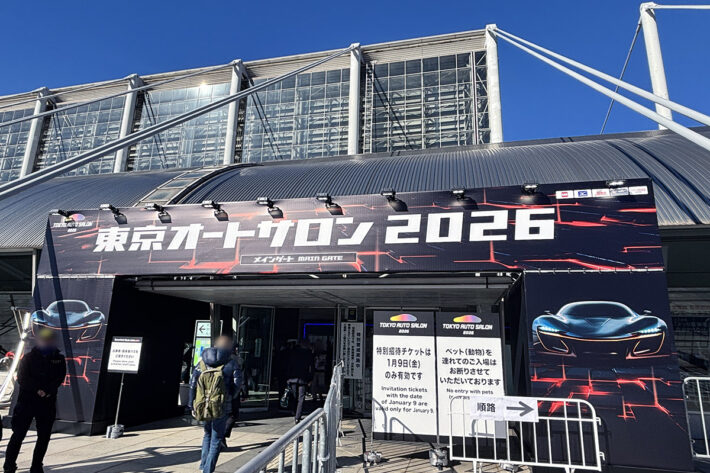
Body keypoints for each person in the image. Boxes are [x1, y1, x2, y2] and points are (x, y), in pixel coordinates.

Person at [4, 328, 66, 473]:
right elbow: (22, 378)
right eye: (44, 340)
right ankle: (9, 466)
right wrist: (37, 389)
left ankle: (37, 466)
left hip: (47, 402)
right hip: (27, 402)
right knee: (18, 434)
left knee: (44, 436)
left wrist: (48, 391)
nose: (47, 343)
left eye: (50, 340)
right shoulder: (29, 358)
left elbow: (59, 377)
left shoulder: (58, 358)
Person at [189, 335, 238, 473]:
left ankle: (203, 466)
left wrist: (191, 404)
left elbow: (193, 384)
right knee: (216, 439)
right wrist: (230, 397)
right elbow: (237, 385)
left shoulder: (202, 362)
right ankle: (208, 470)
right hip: (222, 405)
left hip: (203, 404)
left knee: (207, 434)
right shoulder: (231, 363)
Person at [285, 339, 314, 423]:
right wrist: (310, 379)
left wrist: (288, 378)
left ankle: (294, 411)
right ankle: (298, 416)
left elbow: (289, 365)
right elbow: (311, 368)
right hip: (304, 379)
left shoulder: (293, 352)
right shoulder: (309, 354)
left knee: (295, 396)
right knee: (301, 397)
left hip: (293, 378)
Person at [222, 341, 243, 447]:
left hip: (217, 392)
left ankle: (220, 436)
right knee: (233, 414)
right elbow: (239, 380)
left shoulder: (217, 358)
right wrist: (236, 394)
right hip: (231, 391)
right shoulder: (236, 360)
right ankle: (222, 435)